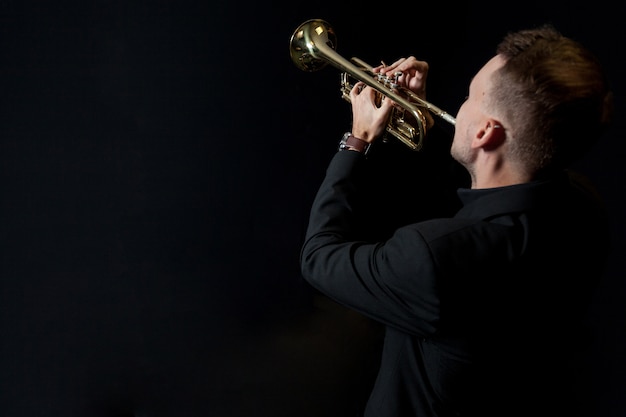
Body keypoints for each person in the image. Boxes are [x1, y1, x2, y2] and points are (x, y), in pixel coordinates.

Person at [299, 24, 613, 417]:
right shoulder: (583, 206)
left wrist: (357, 139)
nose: (459, 104)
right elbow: (483, 197)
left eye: (468, 97)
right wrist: (424, 127)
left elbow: (320, 257)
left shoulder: (432, 261)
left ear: (484, 132)